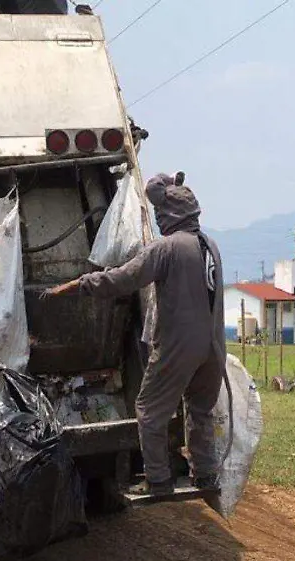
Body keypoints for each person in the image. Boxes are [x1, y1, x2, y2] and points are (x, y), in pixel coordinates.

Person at [45, 172, 225, 498]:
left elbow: (123, 279)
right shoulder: (209, 245)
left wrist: (76, 285)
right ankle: (206, 475)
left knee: (149, 410)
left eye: (159, 215)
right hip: (214, 348)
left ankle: (158, 480)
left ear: (167, 215)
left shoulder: (167, 248)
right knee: (200, 410)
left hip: (178, 347)